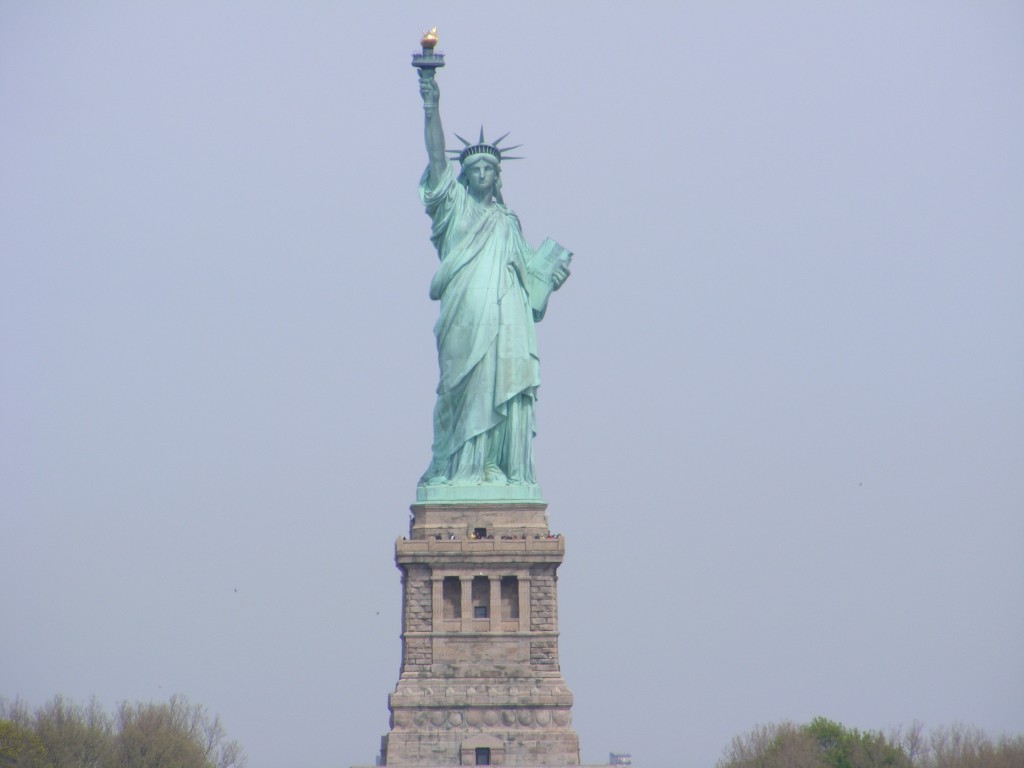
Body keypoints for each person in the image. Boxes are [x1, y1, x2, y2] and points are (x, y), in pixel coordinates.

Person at [417, 75, 569, 488]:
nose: (482, 173)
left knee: (500, 382)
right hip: (464, 316)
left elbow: (530, 287)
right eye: (474, 169)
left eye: (489, 168)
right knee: (462, 388)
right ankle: (457, 466)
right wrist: (431, 106)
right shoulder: (454, 210)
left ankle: (491, 465)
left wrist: (550, 279)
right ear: (463, 177)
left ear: (498, 176)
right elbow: (435, 162)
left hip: (507, 323)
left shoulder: (508, 222)